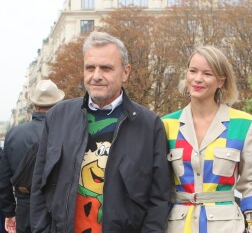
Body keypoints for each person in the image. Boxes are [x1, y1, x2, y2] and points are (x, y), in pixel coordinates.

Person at [30, 31, 171, 233]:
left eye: (106, 68)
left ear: (125, 72)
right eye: (90, 68)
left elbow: (158, 199)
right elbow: (39, 186)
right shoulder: (58, 117)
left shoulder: (149, 125)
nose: (96, 76)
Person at [162, 45, 252, 233]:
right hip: (177, 226)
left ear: (221, 81)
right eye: (193, 71)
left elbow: (250, 184)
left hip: (226, 227)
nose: (198, 79)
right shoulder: (166, 125)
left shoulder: (244, 124)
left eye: (207, 74)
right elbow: (160, 187)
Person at [0, 80, 65, 233]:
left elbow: (3, 180)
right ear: (59, 105)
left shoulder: (13, 135)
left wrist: (9, 212)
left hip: (25, 208)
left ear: (35, 106)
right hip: (58, 207)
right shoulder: (66, 133)